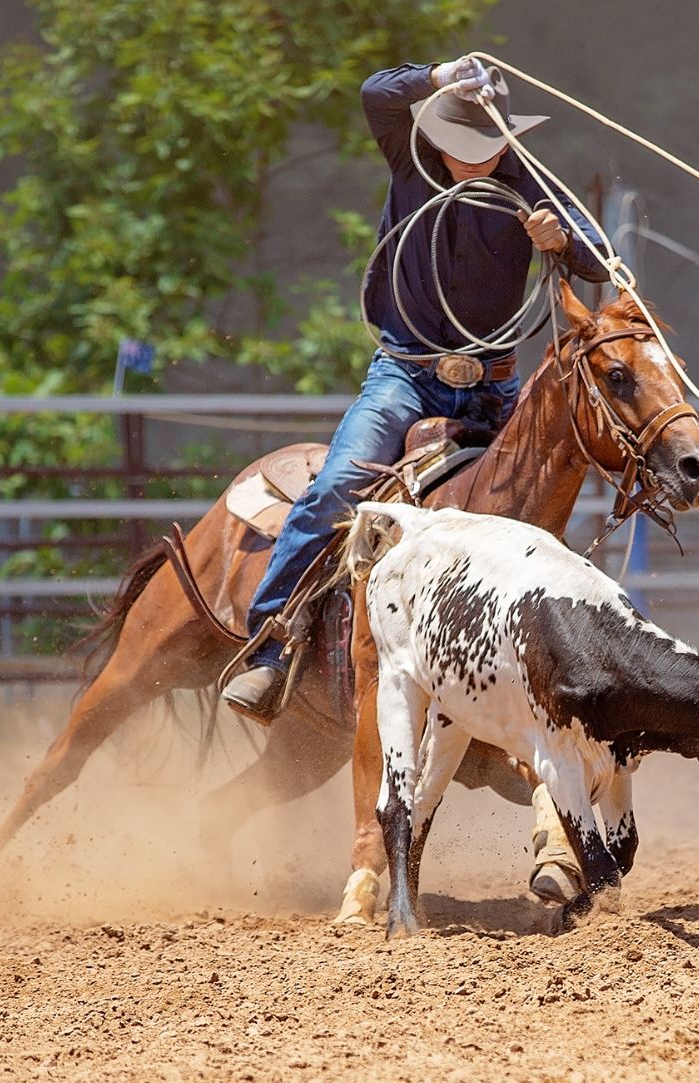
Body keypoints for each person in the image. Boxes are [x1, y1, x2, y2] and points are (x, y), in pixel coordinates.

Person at [223, 56, 610, 717]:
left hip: (493, 385)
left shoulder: (529, 184)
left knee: (541, 511)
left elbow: (603, 257)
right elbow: (376, 91)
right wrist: (438, 74)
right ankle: (273, 643)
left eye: (485, 147)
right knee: (338, 484)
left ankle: (558, 670)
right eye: (461, 147)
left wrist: (563, 238)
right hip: (406, 374)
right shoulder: (413, 160)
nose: (472, 161)